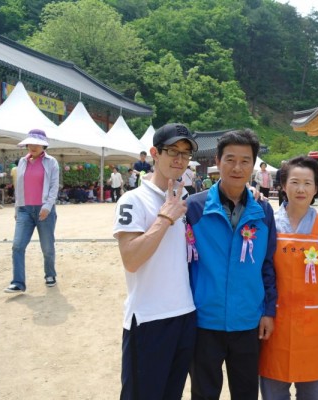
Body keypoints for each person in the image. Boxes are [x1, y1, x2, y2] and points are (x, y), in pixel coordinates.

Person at [186, 129, 277, 400]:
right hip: (204, 321)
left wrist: (268, 310)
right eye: (230, 159)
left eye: (245, 161)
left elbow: (268, 264)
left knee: (246, 393)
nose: (237, 168)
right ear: (217, 161)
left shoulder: (263, 210)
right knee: (203, 393)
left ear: (253, 165)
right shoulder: (194, 208)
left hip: (248, 321)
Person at [112, 123, 198, 399]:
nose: (179, 159)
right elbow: (131, 259)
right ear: (154, 153)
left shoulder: (186, 199)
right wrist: (164, 218)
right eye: (173, 151)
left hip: (185, 314)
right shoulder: (133, 200)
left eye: (185, 153)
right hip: (149, 319)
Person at [259, 156, 318, 400]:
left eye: (307, 183)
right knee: (274, 389)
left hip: (314, 323)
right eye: (294, 182)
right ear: (283, 185)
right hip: (274, 320)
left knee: (313, 391)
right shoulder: (269, 224)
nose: (301, 189)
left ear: (316, 188)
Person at [4, 129, 60, 293]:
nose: (33, 147)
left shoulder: (51, 162)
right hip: (24, 210)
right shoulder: (22, 162)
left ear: (43, 145)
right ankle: (18, 282)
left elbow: (54, 186)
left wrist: (47, 206)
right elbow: (19, 187)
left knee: (47, 247)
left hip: (45, 210)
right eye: (30, 143)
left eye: (37, 144)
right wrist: (17, 208)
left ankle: (50, 274)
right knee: (17, 246)